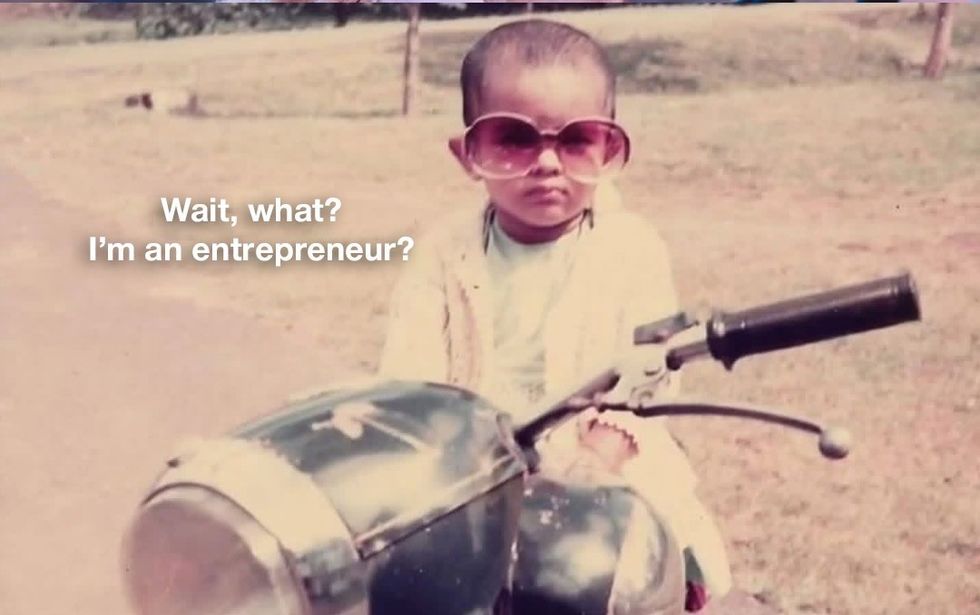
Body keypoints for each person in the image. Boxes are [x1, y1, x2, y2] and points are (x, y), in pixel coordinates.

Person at [378, 18, 732, 608]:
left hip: (604, 465)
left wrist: (596, 458)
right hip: (474, 474)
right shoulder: (443, 252)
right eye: (514, 138)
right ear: (469, 153)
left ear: (610, 150)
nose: (546, 162)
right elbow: (409, 377)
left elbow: (651, 375)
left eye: (574, 140)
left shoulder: (631, 248)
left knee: (642, 574)